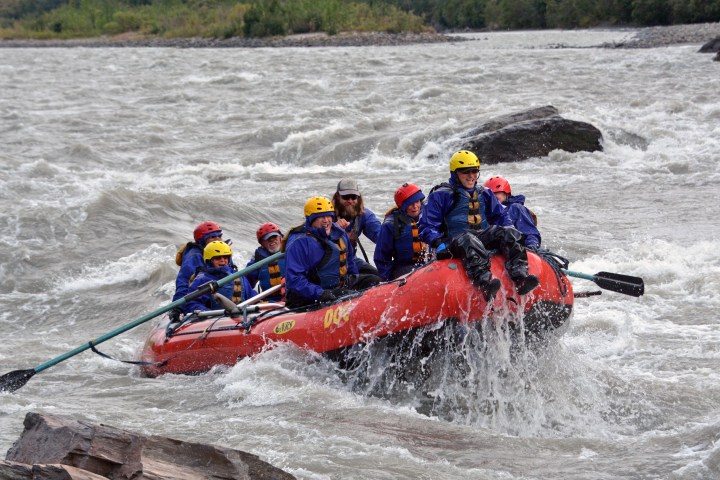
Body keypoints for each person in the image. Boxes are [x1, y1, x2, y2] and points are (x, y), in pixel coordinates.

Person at [418, 150, 539, 300]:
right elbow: (426, 225)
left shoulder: (485, 193)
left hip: (479, 237)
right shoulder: (440, 195)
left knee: (509, 232)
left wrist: (508, 230)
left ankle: (520, 276)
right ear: (455, 173)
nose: (471, 176)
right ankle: (485, 283)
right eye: (465, 172)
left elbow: (501, 216)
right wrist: (437, 243)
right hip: (452, 242)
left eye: (474, 171)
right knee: (468, 238)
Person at [284, 196, 381, 308]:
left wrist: (355, 282)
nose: (326, 220)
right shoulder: (299, 243)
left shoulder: (339, 233)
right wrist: (320, 294)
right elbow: (294, 280)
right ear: (311, 220)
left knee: (375, 281)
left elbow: (350, 263)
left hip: (338, 286)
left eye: (328, 216)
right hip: (313, 294)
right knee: (351, 297)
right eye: (320, 217)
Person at [374, 183, 429, 281]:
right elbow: (381, 258)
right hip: (404, 268)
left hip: (428, 264)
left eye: (417, 201)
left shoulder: (430, 215)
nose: (415, 206)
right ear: (403, 206)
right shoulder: (390, 225)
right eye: (410, 204)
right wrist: (388, 281)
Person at [183, 241, 257, 314]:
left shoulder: (238, 276)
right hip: (215, 319)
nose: (222, 260)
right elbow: (191, 304)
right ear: (209, 260)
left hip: (241, 318)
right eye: (218, 258)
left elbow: (252, 296)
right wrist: (208, 313)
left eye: (225, 257)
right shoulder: (203, 279)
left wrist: (260, 304)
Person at [332, 178, 382, 275]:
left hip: (351, 260)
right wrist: (335, 231)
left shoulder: (364, 215)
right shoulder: (327, 216)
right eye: (346, 197)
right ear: (338, 196)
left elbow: (381, 237)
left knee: (377, 276)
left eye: (353, 197)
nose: (350, 201)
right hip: (329, 264)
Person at [483, 176, 541, 250]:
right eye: (491, 195)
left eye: (496, 193)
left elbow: (530, 233)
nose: (493, 198)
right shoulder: (485, 212)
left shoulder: (516, 208)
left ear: (506, 195)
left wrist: (532, 246)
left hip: (517, 248)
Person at [245, 222, 285, 303]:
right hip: (270, 302)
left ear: (280, 237)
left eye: (274, 236)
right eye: (267, 238)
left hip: (293, 297)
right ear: (261, 243)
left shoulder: (293, 251)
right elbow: (246, 285)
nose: (271, 240)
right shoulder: (257, 260)